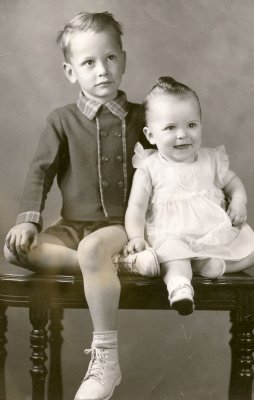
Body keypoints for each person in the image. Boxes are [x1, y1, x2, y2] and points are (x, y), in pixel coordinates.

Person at [4, 11, 153, 400]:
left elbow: (169, 167)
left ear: (124, 59)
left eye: (110, 58)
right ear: (71, 72)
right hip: (71, 225)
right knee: (17, 250)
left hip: (122, 227)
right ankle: (112, 268)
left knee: (92, 249)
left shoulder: (143, 116)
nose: (102, 70)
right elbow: (41, 172)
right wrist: (29, 222)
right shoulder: (62, 120)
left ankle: (106, 355)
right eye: (89, 63)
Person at [116, 76, 254, 316]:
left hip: (212, 237)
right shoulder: (150, 167)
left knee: (249, 248)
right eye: (170, 128)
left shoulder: (211, 160)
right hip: (172, 237)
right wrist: (136, 237)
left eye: (191, 125)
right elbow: (136, 208)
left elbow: (233, 182)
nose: (183, 135)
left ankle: (207, 265)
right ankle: (179, 286)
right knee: (172, 256)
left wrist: (240, 199)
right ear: (150, 135)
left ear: (201, 125)